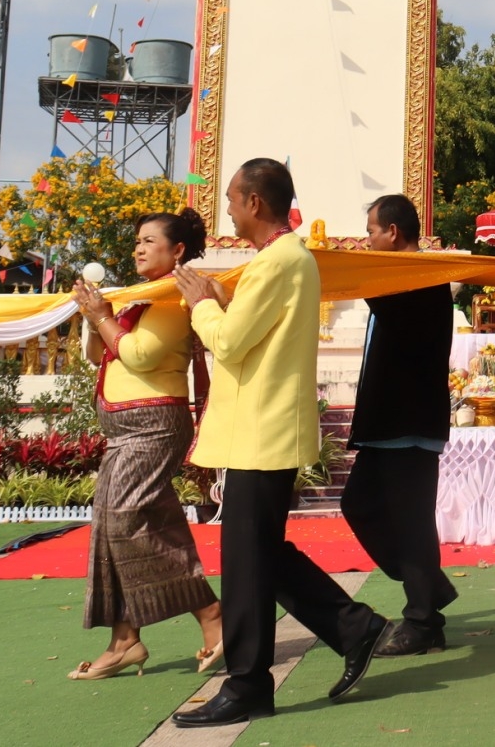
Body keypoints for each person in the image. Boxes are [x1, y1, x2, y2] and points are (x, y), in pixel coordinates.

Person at [172, 161, 387, 728]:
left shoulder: (276, 261)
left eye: (232, 199)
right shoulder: (283, 258)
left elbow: (229, 342)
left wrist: (200, 304)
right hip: (262, 426)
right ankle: (353, 627)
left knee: (247, 560)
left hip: (260, 430)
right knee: (259, 552)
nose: (227, 209)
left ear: (255, 203)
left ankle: (248, 683)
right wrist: (218, 296)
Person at [67, 209, 223, 680]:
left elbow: (138, 354)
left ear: (177, 251)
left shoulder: (173, 298)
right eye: (137, 240)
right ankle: (125, 639)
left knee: (127, 521)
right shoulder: (138, 298)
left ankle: (212, 615)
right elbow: (99, 353)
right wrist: (94, 318)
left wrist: (102, 317)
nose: (138, 247)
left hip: (154, 427)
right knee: (115, 524)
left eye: (150, 240)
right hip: (125, 431)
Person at [342, 195, 456, 655]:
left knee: (411, 523)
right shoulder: (396, 279)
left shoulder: (422, 278)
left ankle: (423, 618)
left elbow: (402, 324)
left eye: (371, 232)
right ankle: (429, 585)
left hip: (409, 421)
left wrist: (352, 273)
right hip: (386, 422)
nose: (367, 240)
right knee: (359, 505)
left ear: (392, 232)